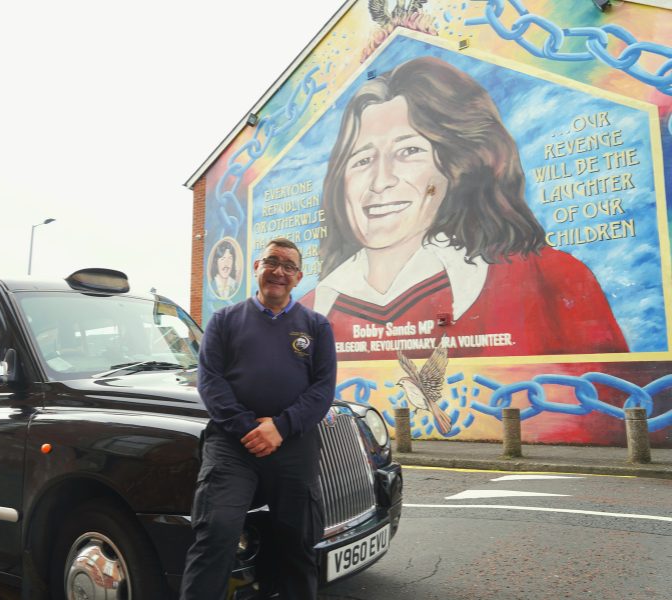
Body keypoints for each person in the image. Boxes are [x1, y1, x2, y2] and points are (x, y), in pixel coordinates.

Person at [301, 56, 627, 359]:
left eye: (409, 151)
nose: (380, 180)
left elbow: (624, 411)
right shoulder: (308, 312)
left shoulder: (550, 280)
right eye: (363, 159)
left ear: (457, 167)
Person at [180, 237, 337, 600]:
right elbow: (211, 382)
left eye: (288, 266)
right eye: (271, 262)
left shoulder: (316, 326)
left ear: (298, 278)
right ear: (256, 268)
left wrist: (280, 427)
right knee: (216, 532)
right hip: (233, 445)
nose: (278, 272)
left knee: (298, 542)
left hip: (293, 443)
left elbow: (322, 390)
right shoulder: (223, 321)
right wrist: (249, 429)